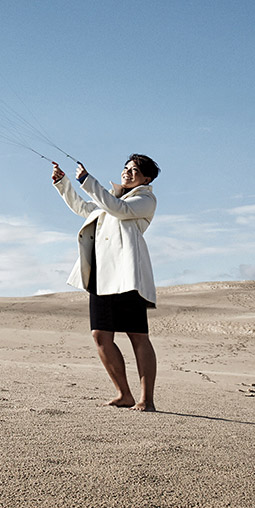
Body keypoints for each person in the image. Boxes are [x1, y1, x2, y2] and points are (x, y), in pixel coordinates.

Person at [51, 155, 160, 411]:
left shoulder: (144, 200)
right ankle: (124, 394)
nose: (128, 173)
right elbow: (84, 209)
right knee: (100, 335)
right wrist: (64, 183)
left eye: (135, 170)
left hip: (127, 277)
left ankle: (147, 399)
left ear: (147, 179)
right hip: (101, 276)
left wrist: (87, 181)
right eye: (126, 168)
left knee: (138, 336)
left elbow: (117, 209)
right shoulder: (109, 199)